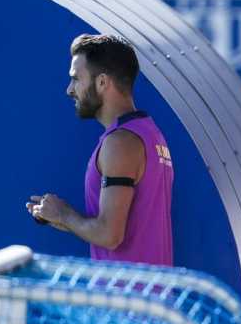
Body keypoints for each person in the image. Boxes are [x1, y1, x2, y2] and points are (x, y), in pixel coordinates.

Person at [26, 34, 174, 266]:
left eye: (76, 79)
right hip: (146, 287)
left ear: (102, 82)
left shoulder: (120, 143)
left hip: (128, 289)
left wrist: (64, 213)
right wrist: (63, 220)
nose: (69, 89)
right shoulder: (149, 133)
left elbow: (109, 235)